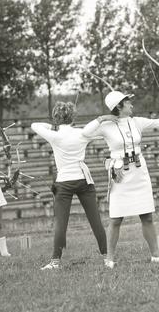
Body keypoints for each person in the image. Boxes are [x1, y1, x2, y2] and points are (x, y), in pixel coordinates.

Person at [82, 91, 159, 269]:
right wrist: (102, 118)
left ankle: (156, 255)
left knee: (146, 215)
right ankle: (110, 259)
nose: (132, 105)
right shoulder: (106, 125)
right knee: (116, 219)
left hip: (139, 173)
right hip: (119, 173)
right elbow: (85, 133)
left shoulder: (136, 121)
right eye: (128, 103)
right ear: (119, 106)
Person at [31, 101, 107, 270]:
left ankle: (56, 261)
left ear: (56, 118)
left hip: (64, 182)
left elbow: (34, 124)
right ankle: (107, 257)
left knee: (60, 223)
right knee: (95, 220)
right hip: (83, 180)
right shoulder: (81, 133)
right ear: (73, 117)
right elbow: (100, 134)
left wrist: (54, 126)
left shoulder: (54, 135)